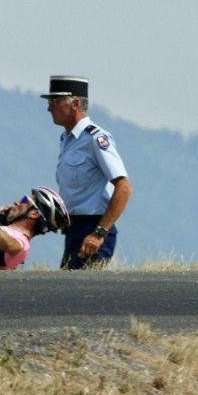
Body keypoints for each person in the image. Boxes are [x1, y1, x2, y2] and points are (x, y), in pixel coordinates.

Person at [40, 76, 132, 269]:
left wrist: (99, 233)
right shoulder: (67, 139)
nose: (49, 109)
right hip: (73, 228)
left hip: (93, 227)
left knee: (83, 293)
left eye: (54, 102)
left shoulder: (95, 138)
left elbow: (123, 187)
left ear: (75, 104)